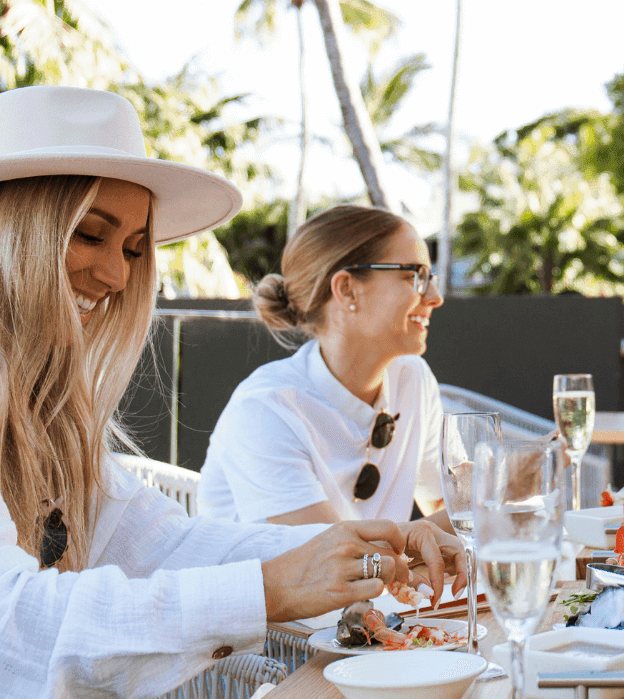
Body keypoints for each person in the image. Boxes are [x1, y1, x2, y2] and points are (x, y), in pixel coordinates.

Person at [0, 85, 466, 697]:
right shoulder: (269, 405)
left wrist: (360, 546)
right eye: (90, 234)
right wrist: (268, 586)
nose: (118, 274)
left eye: (135, 249)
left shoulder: (50, 414)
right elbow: (18, 627)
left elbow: (169, 542)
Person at [198, 205, 451, 527]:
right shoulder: (266, 410)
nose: (435, 296)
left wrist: (508, 481)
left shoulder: (410, 378)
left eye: (431, 278)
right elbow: (331, 564)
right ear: (346, 289)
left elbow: (447, 503)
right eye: (414, 276)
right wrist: (448, 528)